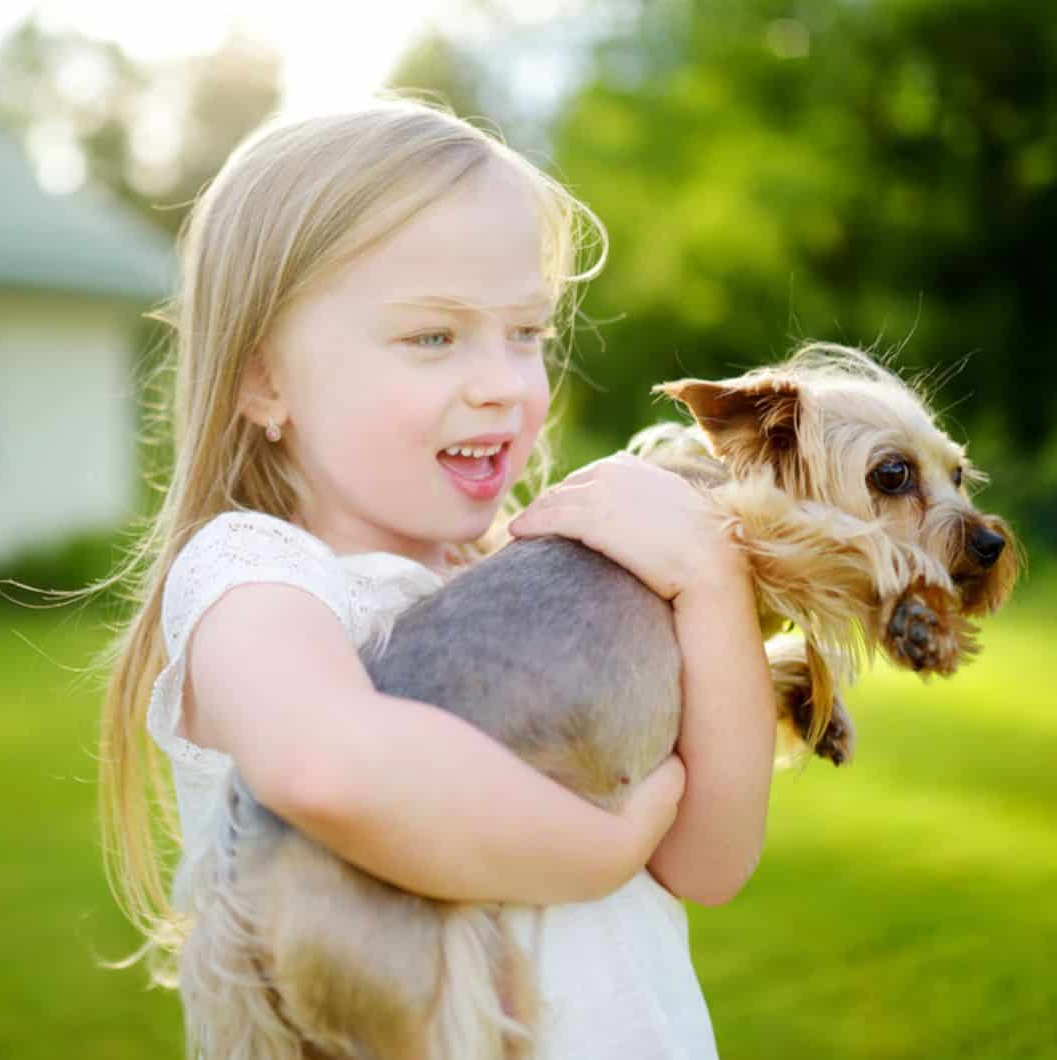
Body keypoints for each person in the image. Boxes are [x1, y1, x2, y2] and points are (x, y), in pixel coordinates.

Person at [96, 96, 778, 1059]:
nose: (504, 381)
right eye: (433, 337)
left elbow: (710, 860)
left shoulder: (539, 597)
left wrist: (710, 584)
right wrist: (598, 853)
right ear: (264, 382)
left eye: (527, 333)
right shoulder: (259, 578)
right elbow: (328, 766)